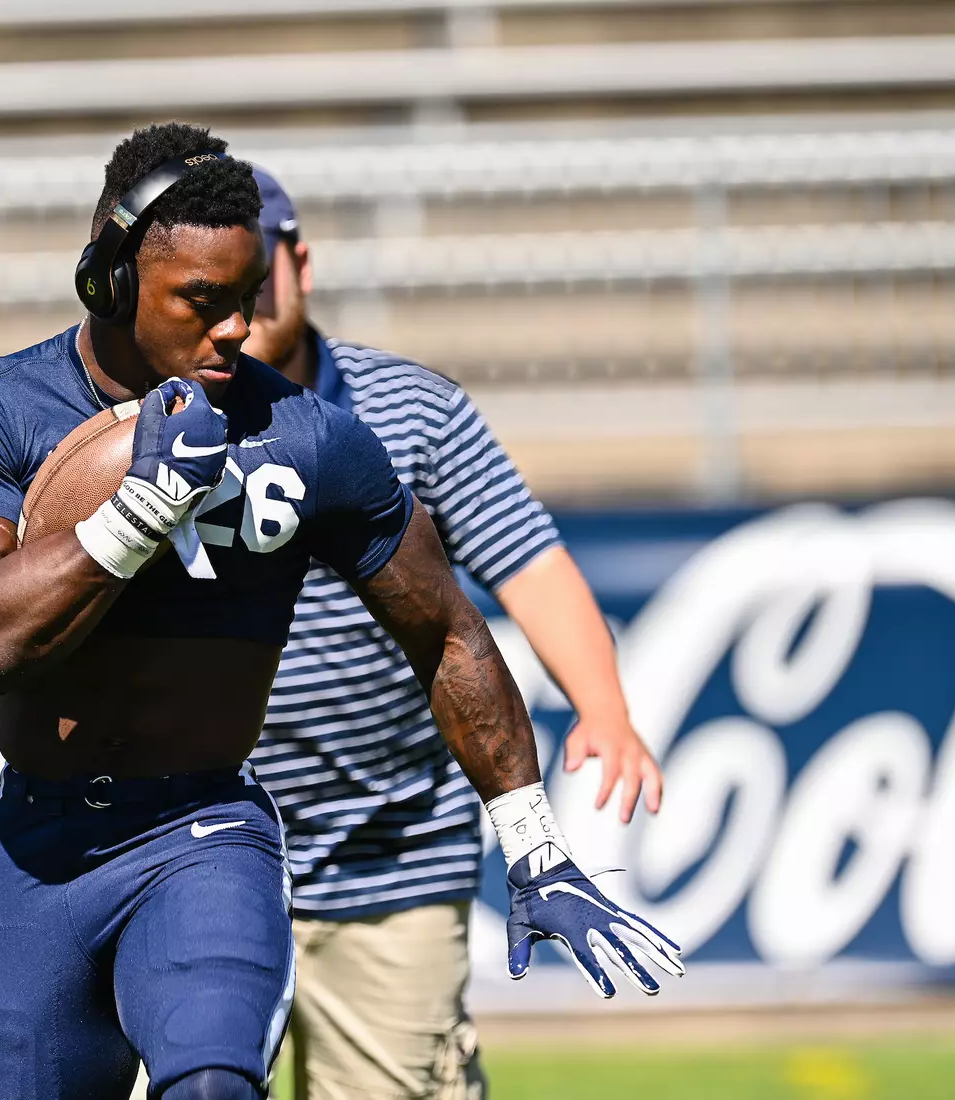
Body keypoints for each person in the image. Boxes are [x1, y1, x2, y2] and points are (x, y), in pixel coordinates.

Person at [0, 123, 682, 1100]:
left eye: (245, 297)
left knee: (214, 1081)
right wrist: (142, 508)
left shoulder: (308, 435)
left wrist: (532, 837)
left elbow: (444, 628)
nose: (234, 329)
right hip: (37, 849)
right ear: (107, 277)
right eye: (201, 301)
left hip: (203, 828)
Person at [241, 166, 668, 1100]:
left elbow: (530, 562)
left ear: (298, 261)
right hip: (205, 852)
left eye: (253, 263)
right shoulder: (145, 422)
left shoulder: (412, 409)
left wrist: (603, 705)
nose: (236, 294)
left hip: (390, 847)